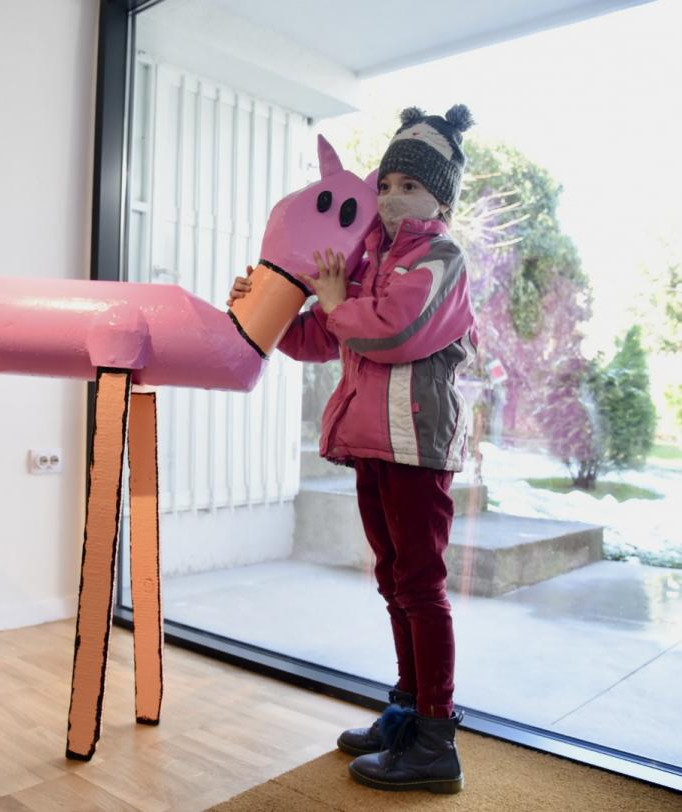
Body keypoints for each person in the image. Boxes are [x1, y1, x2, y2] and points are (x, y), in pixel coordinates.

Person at [227, 105, 477, 794]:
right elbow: (321, 340)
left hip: (415, 449)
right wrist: (262, 309)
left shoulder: (441, 259)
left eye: (411, 186)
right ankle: (407, 711)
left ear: (442, 199)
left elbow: (396, 331)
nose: (393, 197)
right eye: (387, 184)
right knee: (395, 582)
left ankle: (436, 738)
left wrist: (336, 301)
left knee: (421, 588)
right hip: (373, 443)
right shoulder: (368, 264)